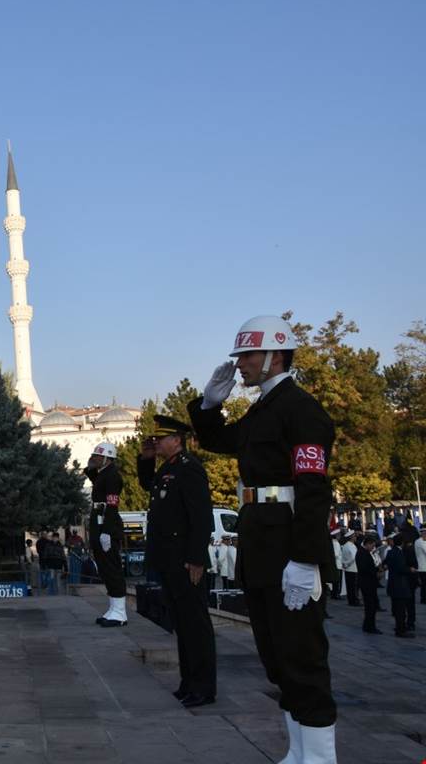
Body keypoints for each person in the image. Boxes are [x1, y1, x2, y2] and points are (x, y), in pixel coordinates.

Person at [188, 315, 338, 762]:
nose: (241, 365)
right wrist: (209, 405)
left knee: (303, 660)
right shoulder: (263, 410)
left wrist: (306, 559)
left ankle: (321, 758)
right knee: (278, 660)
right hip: (262, 545)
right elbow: (221, 442)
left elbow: (313, 491)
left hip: (289, 544)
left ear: (274, 357)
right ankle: (298, 751)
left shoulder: (302, 409)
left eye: (248, 356)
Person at [138, 414, 216, 708]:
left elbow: (201, 518)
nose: (156, 442)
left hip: (186, 560)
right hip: (169, 558)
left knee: (196, 625)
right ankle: (189, 681)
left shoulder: (189, 469)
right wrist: (146, 459)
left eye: (161, 439)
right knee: (182, 624)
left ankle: (204, 687)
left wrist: (196, 558)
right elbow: (149, 485)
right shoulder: (168, 468)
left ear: (177, 441)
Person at [85, 442, 127, 627]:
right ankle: (113, 608)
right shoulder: (103, 474)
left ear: (108, 458)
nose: (94, 458)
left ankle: (120, 612)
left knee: (111, 567)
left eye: (97, 456)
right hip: (98, 520)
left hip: (106, 522)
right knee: (104, 567)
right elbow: (93, 476)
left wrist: (107, 531)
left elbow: (112, 505)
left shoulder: (112, 476)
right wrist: (91, 464)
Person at [385, 529, 416, 638]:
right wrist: (410, 570)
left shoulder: (390, 551)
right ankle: (400, 630)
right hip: (400, 585)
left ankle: (400, 627)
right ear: (402, 542)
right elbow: (401, 568)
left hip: (393, 584)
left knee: (397, 608)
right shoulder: (399, 553)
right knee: (401, 610)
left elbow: (386, 564)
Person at [355, 534, 382, 634]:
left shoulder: (364, 552)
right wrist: (376, 572)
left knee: (371, 605)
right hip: (367, 583)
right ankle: (370, 626)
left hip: (369, 583)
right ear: (368, 544)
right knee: (370, 606)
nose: (373, 548)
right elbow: (365, 569)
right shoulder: (362, 554)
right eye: (372, 545)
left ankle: (368, 625)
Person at [340, 530, 359, 608]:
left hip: (348, 568)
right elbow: (353, 557)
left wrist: (345, 564)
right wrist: (347, 564)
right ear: (351, 537)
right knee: (353, 587)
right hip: (352, 568)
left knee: (350, 586)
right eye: (354, 536)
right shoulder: (350, 546)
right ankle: (354, 600)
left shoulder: (346, 545)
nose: (355, 537)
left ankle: (352, 600)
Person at [329, 529, 343, 601]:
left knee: (335, 581)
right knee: (337, 581)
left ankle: (334, 594)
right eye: (339, 535)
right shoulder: (336, 543)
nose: (339, 536)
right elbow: (336, 554)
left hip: (335, 564)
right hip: (337, 564)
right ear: (336, 536)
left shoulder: (333, 543)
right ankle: (335, 594)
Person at [415, 528, 426, 606]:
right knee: (424, 584)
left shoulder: (419, 541)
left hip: (423, 566)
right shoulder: (420, 542)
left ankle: (424, 598)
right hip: (423, 567)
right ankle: (423, 599)